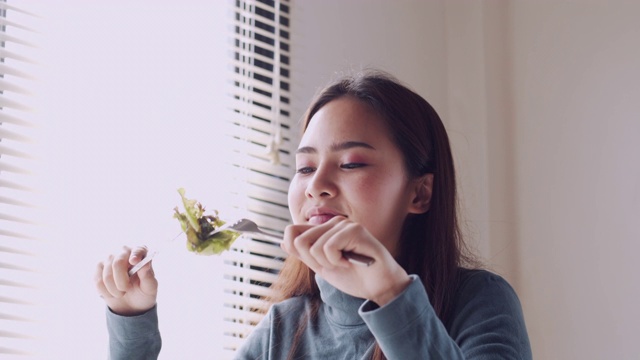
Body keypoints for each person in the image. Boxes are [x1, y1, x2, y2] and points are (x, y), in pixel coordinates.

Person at [96, 70, 532, 359]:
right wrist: (132, 318)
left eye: (352, 163)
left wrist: (390, 292)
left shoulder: (478, 302)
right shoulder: (282, 331)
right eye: (304, 167)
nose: (315, 184)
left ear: (419, 192)